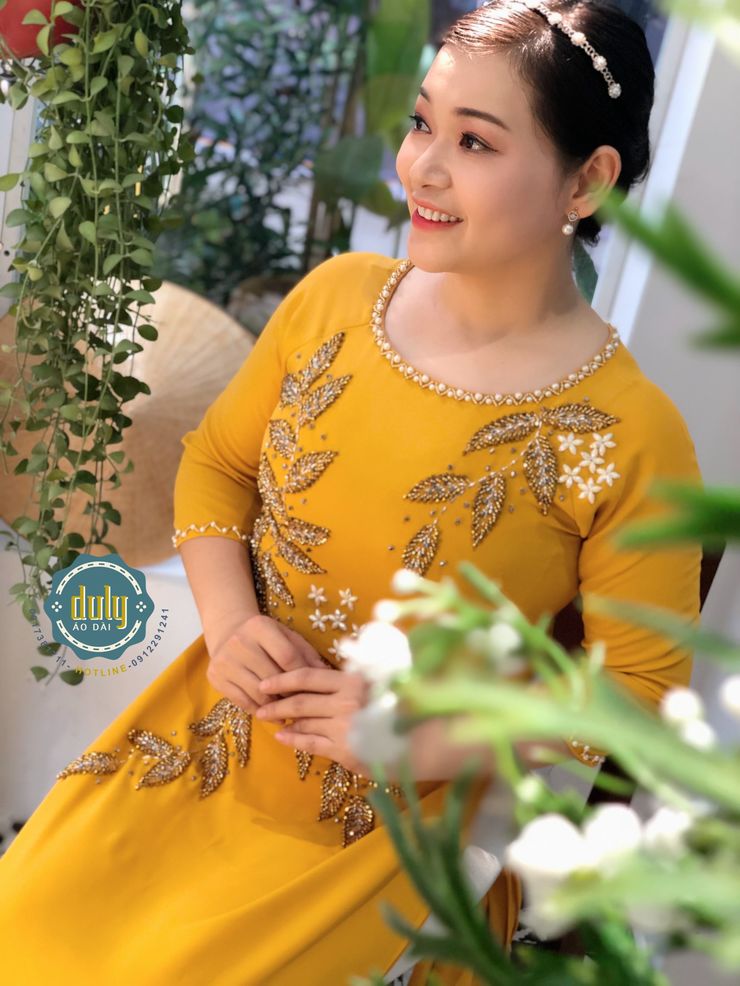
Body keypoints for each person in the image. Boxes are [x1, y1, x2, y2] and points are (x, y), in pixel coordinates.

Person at [0, 1, 703, 984]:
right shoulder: (334, 299)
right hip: (207, 741)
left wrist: (428, 734)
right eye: (421, 123)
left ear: (586, 180)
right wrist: (231, 623)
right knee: (26, 931)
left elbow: (638, 693)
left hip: (398, 826)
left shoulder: (630, 433)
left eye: (474, 141)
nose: (421, 166)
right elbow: (216, 464)